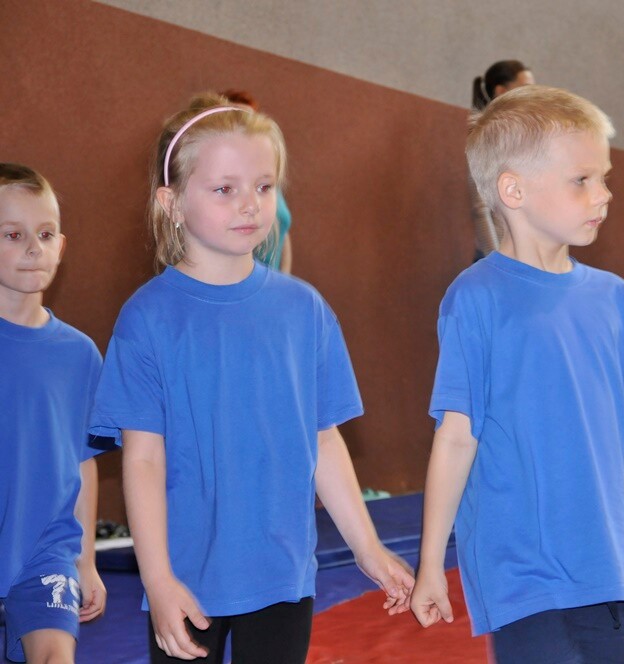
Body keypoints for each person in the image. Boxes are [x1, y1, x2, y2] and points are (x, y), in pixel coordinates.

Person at [89, 94, 413, 663]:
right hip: (188, 577)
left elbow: (322, 440)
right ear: (172, 202)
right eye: (224, 188)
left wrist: (367, 547)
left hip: (283, 575)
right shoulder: (148, 318)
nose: (250, 204)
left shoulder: (304, 310)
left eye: (264, 186)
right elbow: (144, 459)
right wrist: (158, 580)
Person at [411, 86, 624, 664]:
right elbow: (457, 436)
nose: (604, 194)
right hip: (520, 573)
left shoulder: (615, 300)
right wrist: (431, 561)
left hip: (600, 566)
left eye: (604, 178)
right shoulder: (476, 299)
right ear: (513, 190)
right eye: (582, 180)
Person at [0, 163, 106, 662]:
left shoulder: (79, 355)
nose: (33, 249)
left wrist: (86, 562)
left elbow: (83, 462)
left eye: (44, 235)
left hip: (46, 549)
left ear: (61, 246)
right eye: (13, 235)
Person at [219, 89, 294, 274]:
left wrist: (283, 278)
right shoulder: (221, 180)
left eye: (251, 119)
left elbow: (283, 232)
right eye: (237, 118)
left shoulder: (269, 180)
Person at [469, 60, 535, 260]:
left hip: (520, 255)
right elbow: (481, 207)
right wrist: (495, 260)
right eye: (525, 88)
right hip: (497, 256)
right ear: (501, 91)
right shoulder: (485, 135)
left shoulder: (520, 136)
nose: (532, 94)